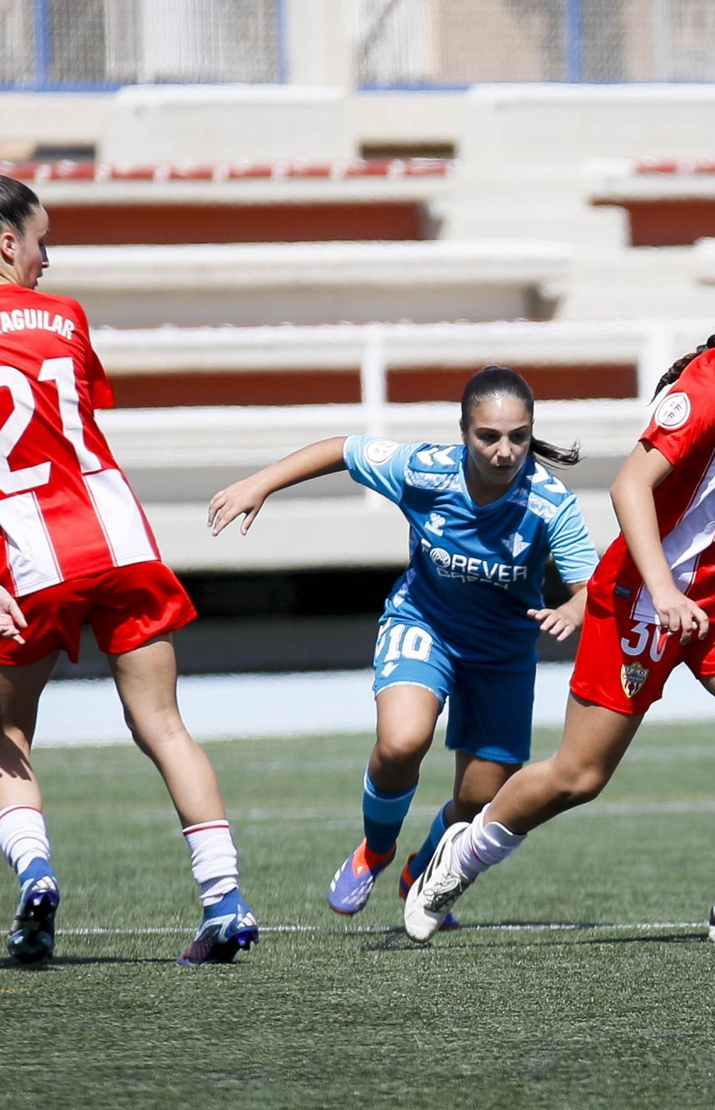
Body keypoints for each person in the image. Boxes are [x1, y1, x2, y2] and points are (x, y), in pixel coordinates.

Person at [404, 246, 715, 943]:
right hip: (638, 603)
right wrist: (662, 590)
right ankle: (458, 857)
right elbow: (628, 485)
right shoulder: (708, 390)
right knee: (579, 776)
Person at [0, 155, 257, 967]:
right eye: (40, 244)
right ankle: (224, 897)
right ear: (5, 243)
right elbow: (65, 437)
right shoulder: (65, 318)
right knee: (164, 725)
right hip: (119, 537)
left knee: (8, 731)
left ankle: (36, 877)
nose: (47, 261)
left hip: (27, 557)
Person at [207, 366, 597, 923]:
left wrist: (571, 610)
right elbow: (343, 449)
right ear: (462, 431)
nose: (506, 450)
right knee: (399, 743)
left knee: (479, 800)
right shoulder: (424, 470)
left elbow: (592, 586)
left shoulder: (549, 502)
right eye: (489, 436)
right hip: (425, 624)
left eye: (519, 435)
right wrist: (260, 483)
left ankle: (421, 872)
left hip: (503, 653)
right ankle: (375, 851)